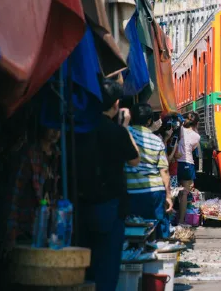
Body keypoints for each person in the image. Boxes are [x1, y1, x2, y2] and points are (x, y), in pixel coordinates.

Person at [76, 79, 140, 291]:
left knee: (84, 267)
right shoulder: (117, 132)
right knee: (107, 267)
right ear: (116, 104)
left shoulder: (80, 128)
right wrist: (124, 128)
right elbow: (134, 159)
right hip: (111, 205)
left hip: (81, 204)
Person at [126, 103, 173, 238]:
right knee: (156, 229)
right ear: (149, 121)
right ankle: (157, 253)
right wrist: (168, 196)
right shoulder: (156, 140)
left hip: (131, 191)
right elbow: (164, 171)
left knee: (133, 230)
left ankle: (136, 255)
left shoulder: (126, 133)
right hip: (155, 191)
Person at [177, 112, 201, 225]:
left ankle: (170, 218)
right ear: (197, 123)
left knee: (172, 191)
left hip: (175, 163)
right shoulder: (197, 136)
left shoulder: (180, 129)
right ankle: (181, 221)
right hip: (188, 163)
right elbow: (192, 149)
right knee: (184, 193)